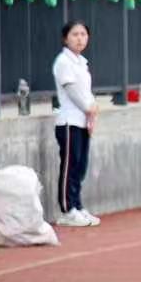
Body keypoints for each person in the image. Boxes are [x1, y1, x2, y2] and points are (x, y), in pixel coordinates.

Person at [51, 20, 99, 227]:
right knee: (70, 166)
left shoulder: (82, 62)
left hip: (82, 122)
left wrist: (91, 113)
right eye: (75, 34)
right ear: (65, 38)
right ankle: (67, 209)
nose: (80, 38)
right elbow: (73, 92)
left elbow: (86, 93)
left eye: (83, 34)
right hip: (69, 122)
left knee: (80, 166)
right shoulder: (63, 61)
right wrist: (89, 109)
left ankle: (78, 205)